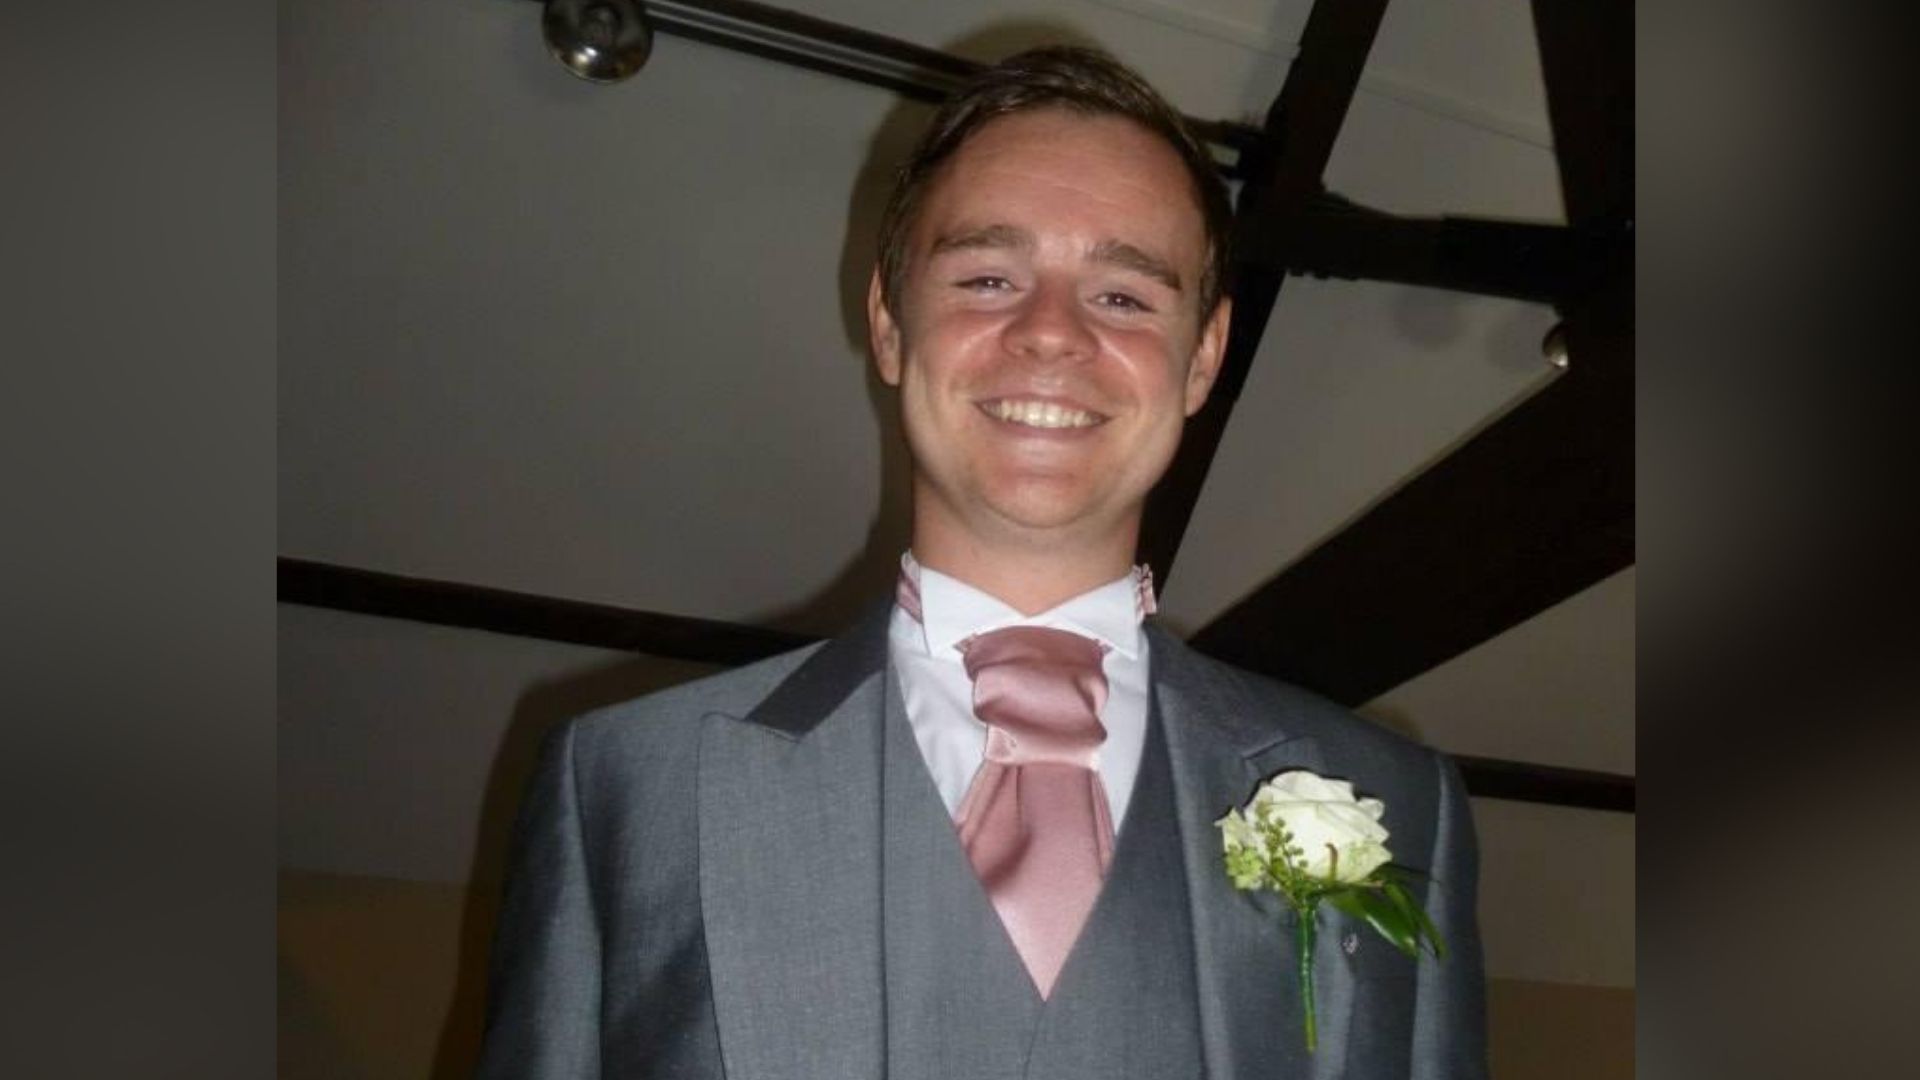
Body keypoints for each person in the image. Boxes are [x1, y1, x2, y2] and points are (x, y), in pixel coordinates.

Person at [476, 45, 1487, 1080]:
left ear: (1204, 357)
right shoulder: (626, 789)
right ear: (888, 323)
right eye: (989, 278)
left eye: (1124, 297)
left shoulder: (1400, 805)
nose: (1050, 334)